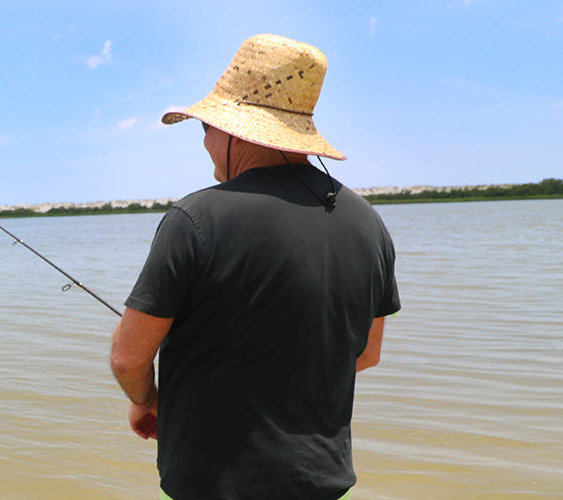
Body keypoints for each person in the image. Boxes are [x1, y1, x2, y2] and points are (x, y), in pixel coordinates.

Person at [109, 34, 400, 500]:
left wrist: (147, 399)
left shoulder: (195, 219)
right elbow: (366, 353)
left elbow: (129, 358)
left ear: (233, 131)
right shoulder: (368, 222)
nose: (204, 140)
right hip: (321, 480)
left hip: (214, 483)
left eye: (206, 127)